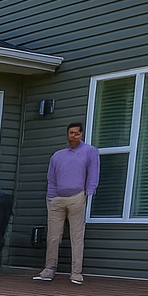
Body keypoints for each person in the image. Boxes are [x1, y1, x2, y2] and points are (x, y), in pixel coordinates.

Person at [34, 121, 99, 284]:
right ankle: (49, 269)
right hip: (56, 200)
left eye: (77, 133)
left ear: (81, 134)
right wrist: (51, 197)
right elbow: (51, 178)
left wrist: (87, 193)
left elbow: (93, 174)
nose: (73, 136)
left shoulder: (90, 152)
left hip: (77, 197)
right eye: (71, 133)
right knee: (53, 236)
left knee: (77, 236)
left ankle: (76, 272)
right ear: (67, 134)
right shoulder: (57, 155)